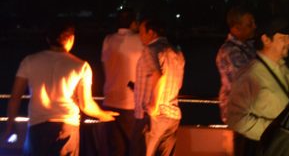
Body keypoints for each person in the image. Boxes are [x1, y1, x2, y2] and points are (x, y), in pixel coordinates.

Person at [3, 21, 118, 155]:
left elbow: (15, 98)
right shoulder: (81, 66)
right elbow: (86, 105)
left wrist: (10, 126)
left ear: (48, 39)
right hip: (67, 127)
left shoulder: (29, 61)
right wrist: (104, 115)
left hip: (37, 127)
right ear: (71, 39)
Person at [227, 19, 289, 156]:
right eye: (283, 38)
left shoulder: (283, 71)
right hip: (264, 149)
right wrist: (275, 132)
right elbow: (235, 119)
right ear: (266, 39)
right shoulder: (251, 74)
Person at [132, 18, 185, 156]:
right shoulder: (177, 53)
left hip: (153, 117)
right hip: (172, 117)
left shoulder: (150, 50)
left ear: (151, 32)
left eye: (142, 32)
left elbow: (158, 74)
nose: (140, 36)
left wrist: (154, 105)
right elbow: (178, 84)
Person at [100, 10, 144, 156]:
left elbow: (104, 64)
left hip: (109, 100)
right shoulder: (140, 40)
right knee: (134, 148)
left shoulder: (108, 40)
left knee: (114, 150)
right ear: (133, 23)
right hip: (131, 103)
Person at [216, 7, 257, 122]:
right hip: (239, 114)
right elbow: (244, 82)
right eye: (250, 24)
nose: (255, 26)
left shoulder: (248, 47)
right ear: (236, 28)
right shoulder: (230, 52)